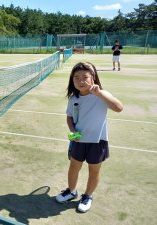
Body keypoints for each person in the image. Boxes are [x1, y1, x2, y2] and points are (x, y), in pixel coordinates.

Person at [56, 62, 123, 212]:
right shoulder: (73, 99)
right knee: (73, 168)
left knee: (94, 171)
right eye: (76, 78)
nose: (81, 81)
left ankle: (87, 196)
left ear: (93, 78)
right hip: (79, 141)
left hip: (97, 142)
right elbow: (69, 118)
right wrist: (73, 132)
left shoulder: (102, 95)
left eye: (85, 77)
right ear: (72, 80)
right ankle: (72, 191)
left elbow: (119, 108)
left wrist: (99, 93)